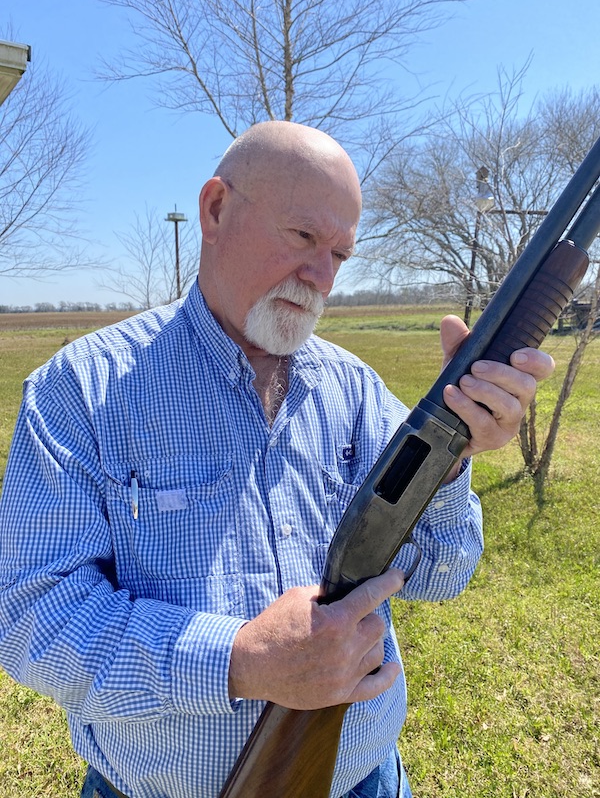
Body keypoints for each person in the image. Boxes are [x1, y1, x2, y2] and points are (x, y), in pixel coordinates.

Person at [0, 121, 553, 798]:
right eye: (303, 238)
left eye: (341, 255)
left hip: (365, 780)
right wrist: (239, 661)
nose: (321, 276)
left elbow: (441, 574)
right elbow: (32, 618)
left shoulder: (353, 390)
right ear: (214, 210)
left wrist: (454, 456)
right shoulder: (81, 391)